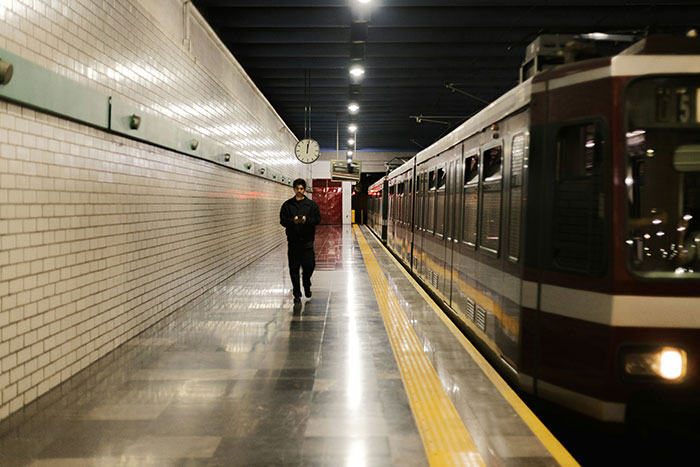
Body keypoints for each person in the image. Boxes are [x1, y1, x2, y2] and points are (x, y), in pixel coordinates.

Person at [280, 178, 321, 303]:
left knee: (309, 265)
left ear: (304, 190)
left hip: (307, 241)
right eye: (297, 188)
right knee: (294, 268)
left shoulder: (312, 205)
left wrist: (306, 220)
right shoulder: (287, 205)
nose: (299, 191)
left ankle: (306, 283)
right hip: (293, 242)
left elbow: (317, 220)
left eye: (301, 189)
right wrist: (293, 221)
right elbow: (283, 221)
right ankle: (297, 293)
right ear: (294, 189)